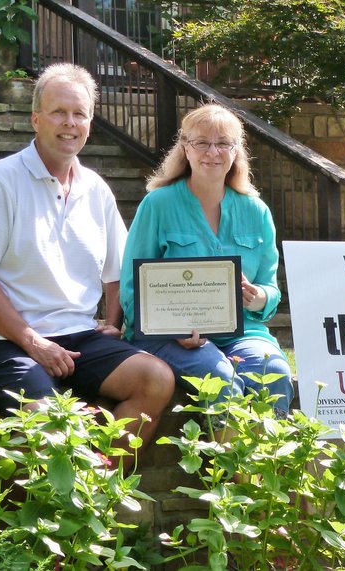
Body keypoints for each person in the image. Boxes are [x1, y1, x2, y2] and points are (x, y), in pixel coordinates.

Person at [0, 63, 175, 468]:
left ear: (90, 122)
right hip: (3, 342)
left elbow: (118, 272)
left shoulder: (96, 188)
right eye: (58, 112)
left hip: (79, 336)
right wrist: (34, 343)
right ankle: (63, 510)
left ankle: (99, 492)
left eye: (79, 113)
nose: (69, 123)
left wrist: (114, 321)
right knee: (49, 424)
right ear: (35, 119)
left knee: (156, 379)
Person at [119, 103, 294, 416]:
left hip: (244, 333)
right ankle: (230, 465)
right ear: (185, 149)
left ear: (236, 151)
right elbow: (132, 290)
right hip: (171, 339)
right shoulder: (157, 205)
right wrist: (172, 328)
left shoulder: (257, 211)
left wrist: (257, 296)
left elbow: (271, 287)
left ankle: (263, 464)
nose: (212, 152)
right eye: (201, 142)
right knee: (221, 381)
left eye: (223, 143)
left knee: (275, 373)